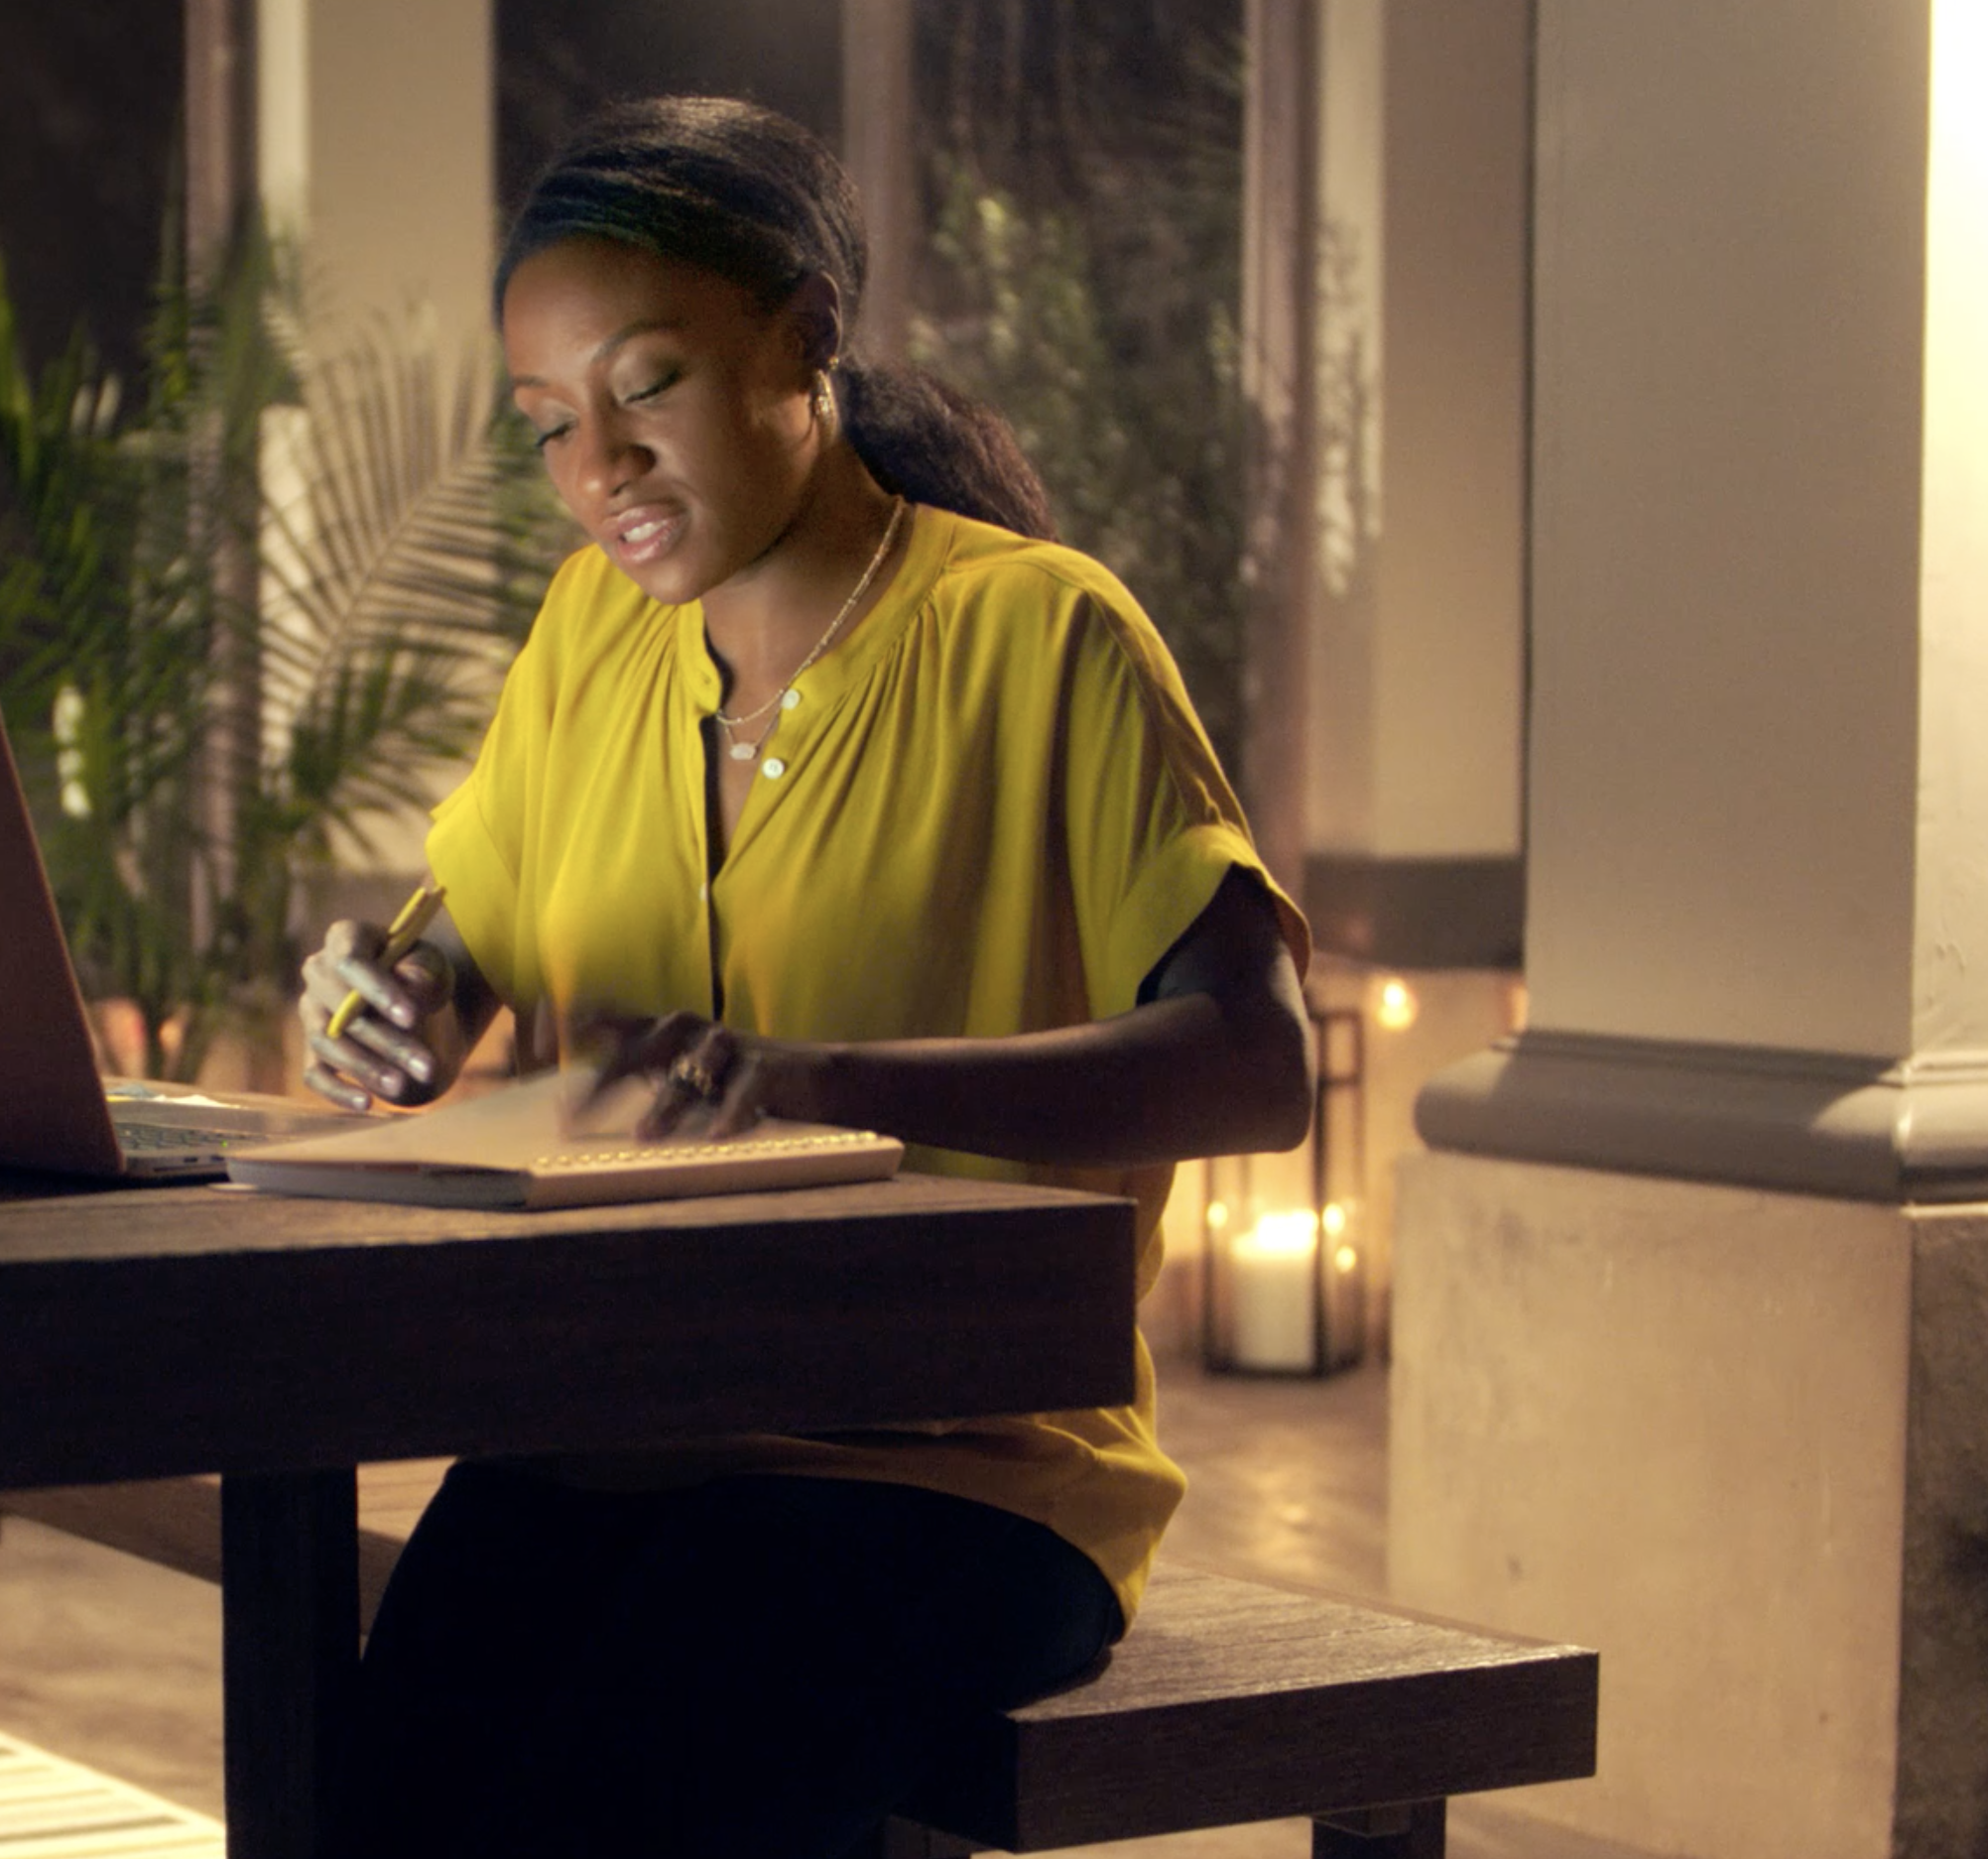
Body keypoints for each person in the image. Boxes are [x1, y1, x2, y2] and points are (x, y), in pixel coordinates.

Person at [297, 98, 1313, 1858]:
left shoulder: (1040, 631)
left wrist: (831, 1078)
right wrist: (389, 1005)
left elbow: (1258, 1062)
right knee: (369, 1799)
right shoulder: (588, 637)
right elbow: (458, 940)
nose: (597, 464)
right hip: (616, 1423)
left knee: (615, 1793)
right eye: (551, 424)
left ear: (809, 341)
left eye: (649, 387)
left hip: (961, 1467)